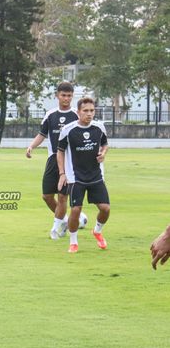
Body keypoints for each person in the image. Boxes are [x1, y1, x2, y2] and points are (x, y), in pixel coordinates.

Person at [57, 97, 110, 254]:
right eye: (85, 111)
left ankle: (97, 231)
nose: (89, 114)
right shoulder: (68, 130)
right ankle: (73, 242)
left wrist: (103, 153)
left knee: (105, 209)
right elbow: (60, 152)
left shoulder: (99, 127)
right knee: (75, 210)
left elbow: (105, 144)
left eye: (92, 111)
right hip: (75, 177)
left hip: (96, 175)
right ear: (78, 112)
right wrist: (62, 173)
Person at [26, 82, 78, 239]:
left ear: (72, 96)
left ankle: (56, 229)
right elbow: (42, 134)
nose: (66, 98)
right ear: (57, 96)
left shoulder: (76, 115)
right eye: (63, 95)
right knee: (47, 196)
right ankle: (68, 220)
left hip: (69, 161)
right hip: (52, 158)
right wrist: (31, 146)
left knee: (63, 197)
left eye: (69, 96)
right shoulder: (50, 114)